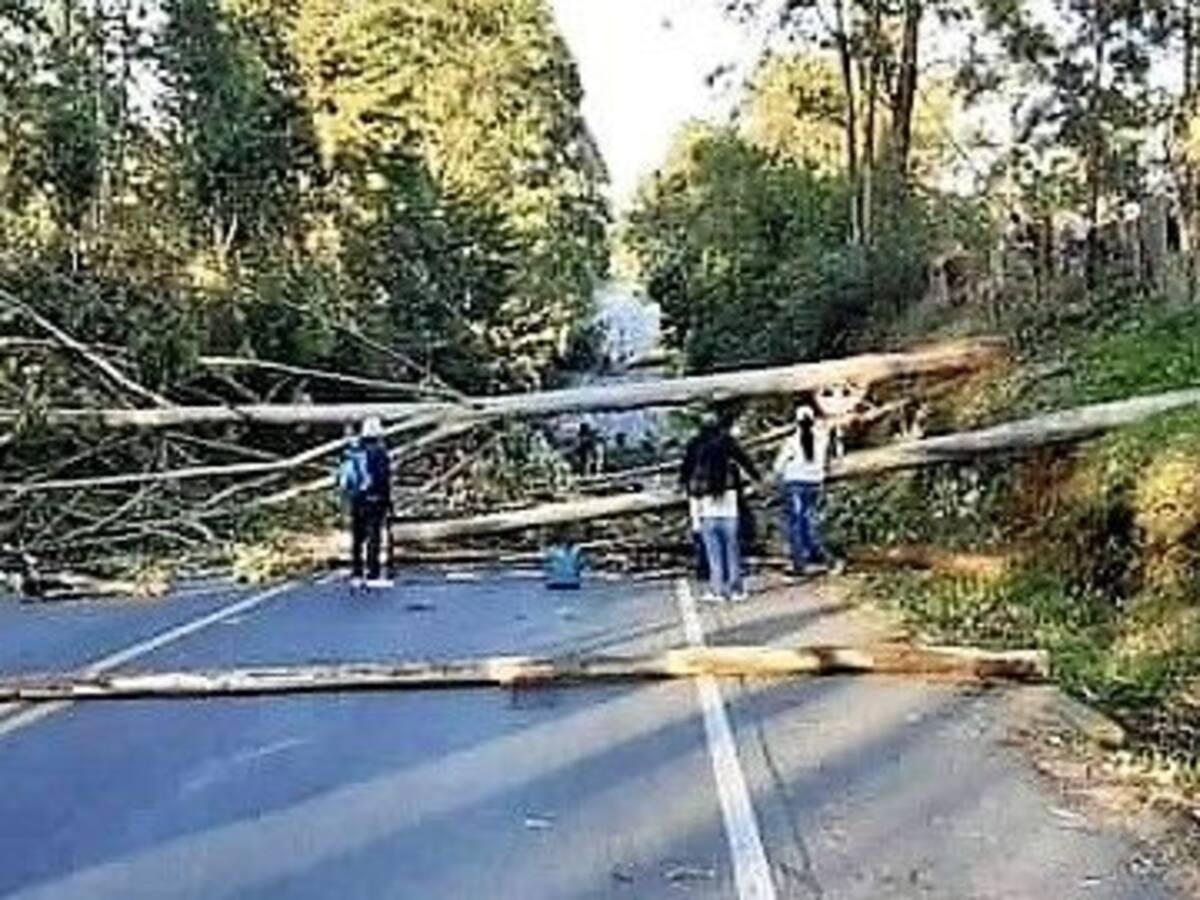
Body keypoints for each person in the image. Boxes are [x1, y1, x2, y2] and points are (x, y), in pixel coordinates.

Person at [681, 409, 761, 602]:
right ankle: (736, 589)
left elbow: (685, 470)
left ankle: (717, 590)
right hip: (730, 510)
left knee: (714, 555)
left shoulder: (696, 445)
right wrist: (757, 477)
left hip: (708, 511)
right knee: (733, 551)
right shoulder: (728, 447)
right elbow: (745, 460)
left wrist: (683, 485)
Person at [773, 400, 841, 576]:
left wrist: (781, 473)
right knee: (810, 523)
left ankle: (800, 565)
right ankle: (828, 561)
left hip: (794, 484)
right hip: (815, 484)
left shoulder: (792, 441)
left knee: (795, 525)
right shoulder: (822, 439)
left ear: (796, 422)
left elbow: (778, 466)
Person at [338, 416, 393, 589]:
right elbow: (383, 479)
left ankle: (356, 572)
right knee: (374, 535)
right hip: (375, 499)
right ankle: (373, 572)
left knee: (357, 536)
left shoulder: (354, 450)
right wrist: (387, 501)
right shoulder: (380, 452)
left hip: (357, 498)